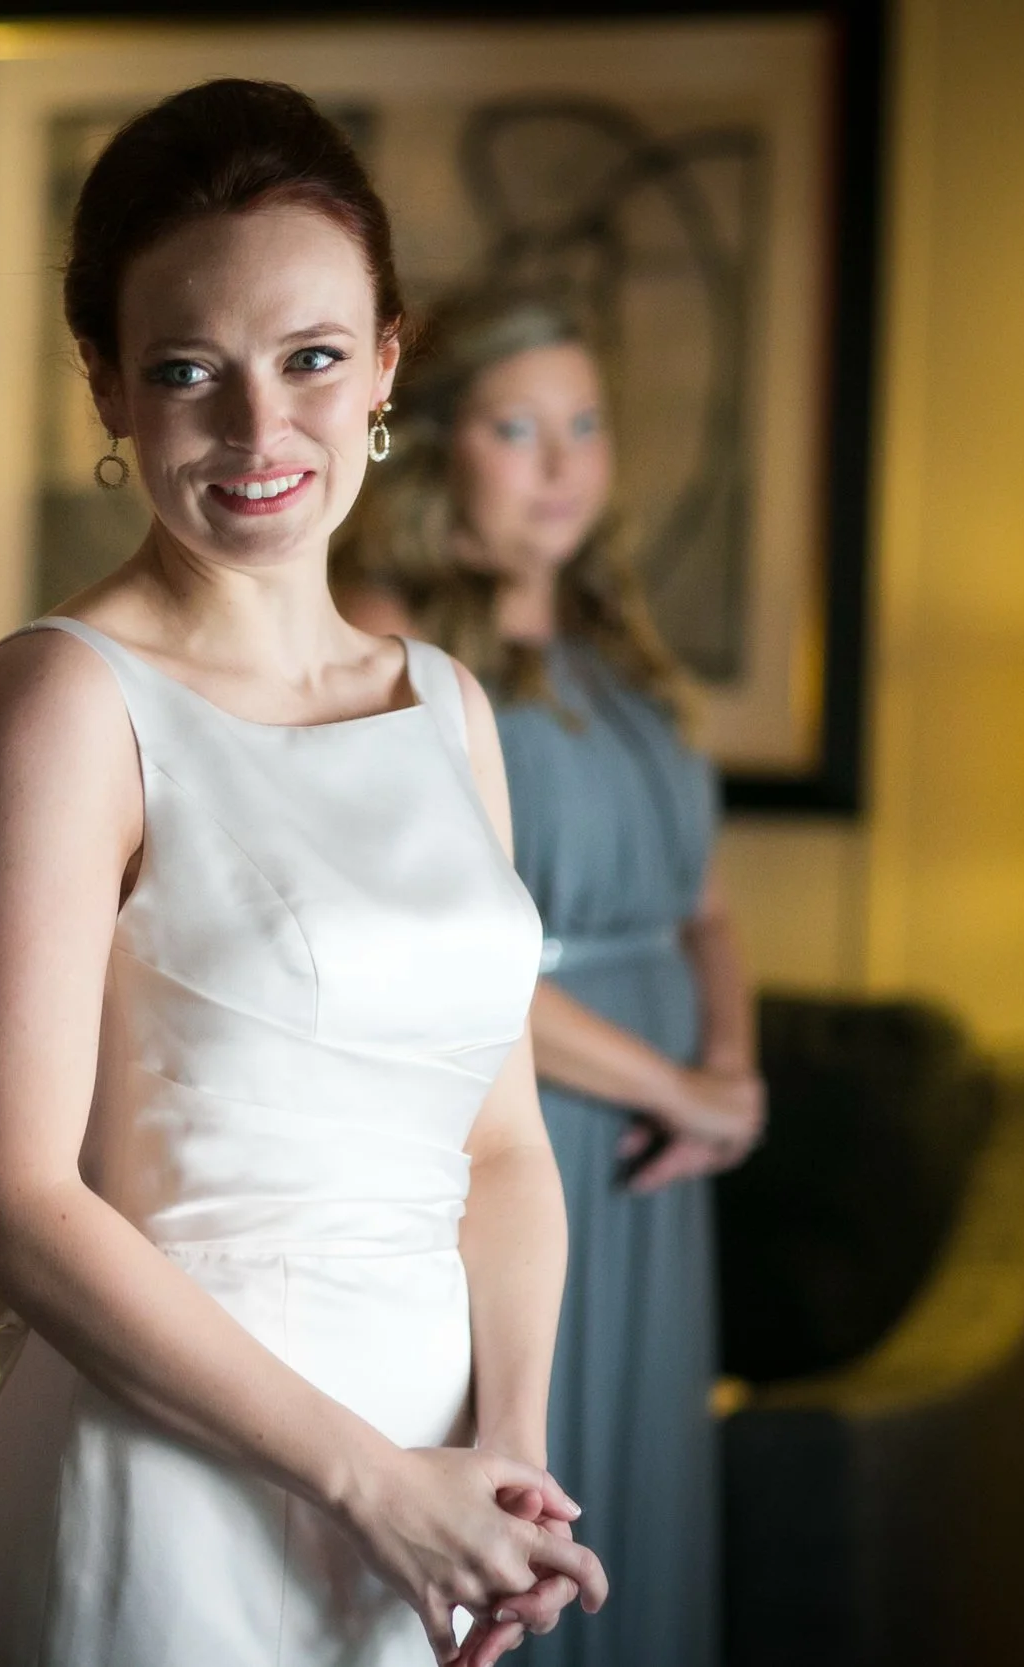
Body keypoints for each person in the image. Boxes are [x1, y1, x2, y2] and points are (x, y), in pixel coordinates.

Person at [0, 81, 608, 1667]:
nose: (257, 431)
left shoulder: (448, 707)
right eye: (188, 371)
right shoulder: (62, 697)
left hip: (431, 1506)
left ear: (386, 362)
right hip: (165, 1495)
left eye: (310, 358)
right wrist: (367, 1479)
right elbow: (6, 1200)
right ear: (107, 385)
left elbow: (503, 1144)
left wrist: (506, 1459)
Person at [335, 289, 765, 1667]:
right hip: (521, 1142)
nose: (564, 463)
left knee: (638, 1484)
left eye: (585, 425)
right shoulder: (390, 641)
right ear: (437, 445)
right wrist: (681, 1089)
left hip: (662, 1164)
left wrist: (733, 1076)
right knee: (534, 1480)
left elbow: (704, 908)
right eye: (518, 429)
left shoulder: (620, 647)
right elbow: (444, 959)